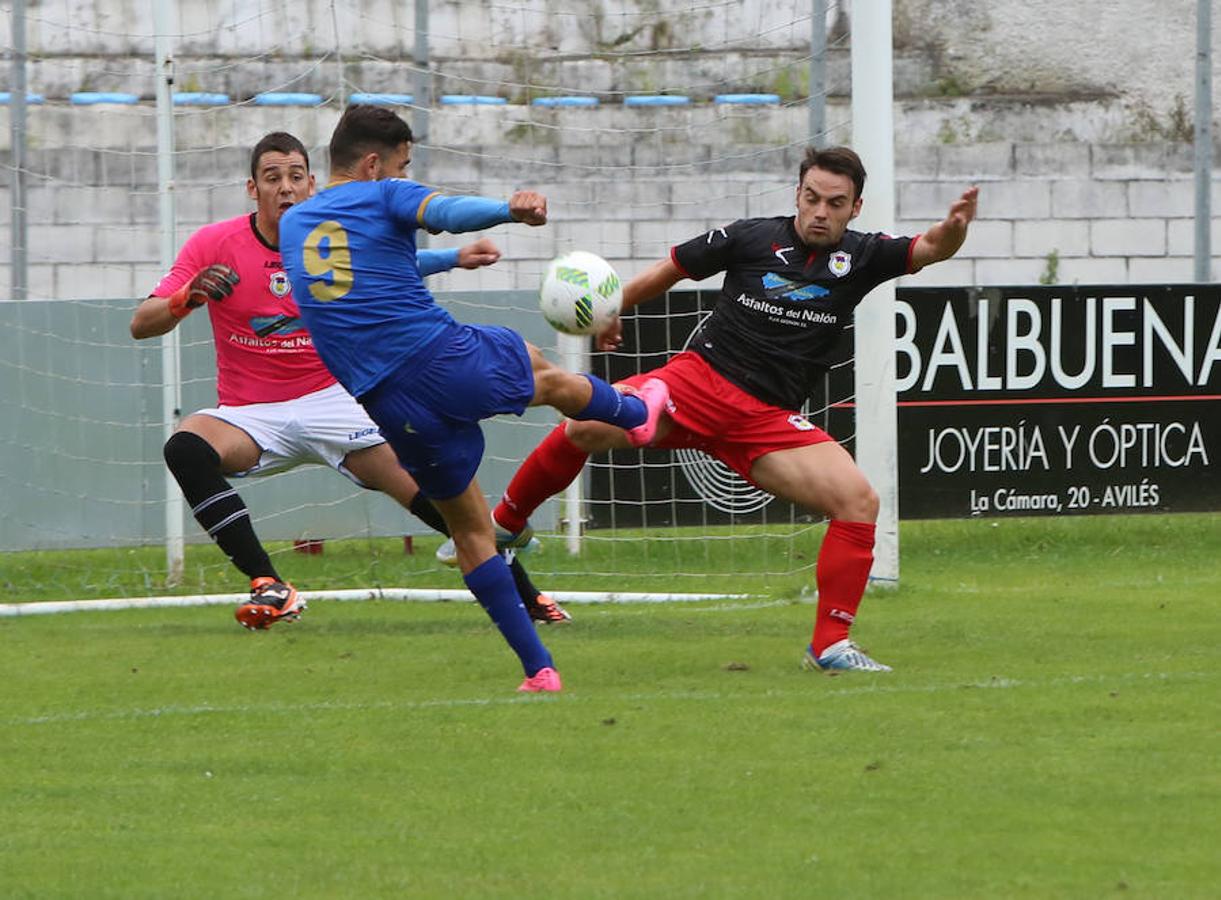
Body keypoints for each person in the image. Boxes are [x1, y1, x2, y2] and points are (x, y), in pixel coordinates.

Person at [488, 146, 979, 673]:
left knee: (858, 501)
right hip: (698, 382)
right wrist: (611, 309)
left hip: (765, 421)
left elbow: (930, 247)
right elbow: (671, 269)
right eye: (811, 198)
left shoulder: (863, 256)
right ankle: (505, 524)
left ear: (854, 208)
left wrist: (954, 228)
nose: (820, 211)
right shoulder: (749, 236)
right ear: (797, 194)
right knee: (583, 427)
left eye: (835, 203)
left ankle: (831, 646)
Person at [279, 105, 670, 693]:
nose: (404, 172)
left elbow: (381, 261)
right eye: (403, 163)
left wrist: (450, 261)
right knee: (546, 374)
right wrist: (507, 209)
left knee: (469, 533)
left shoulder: (296, 225)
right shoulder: (384, 192)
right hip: (437, 358)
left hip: (386, 402)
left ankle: (539, 670)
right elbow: (442, 211)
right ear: (372, 163)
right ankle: (641, 414)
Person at [130, 131, 571, 633]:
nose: (286, 187)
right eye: (272, 178)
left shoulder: (322, 232)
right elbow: (142, 323)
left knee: (434, 492)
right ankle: (268, 584)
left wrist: (453, 258)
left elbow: (391, 263)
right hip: (251, 414)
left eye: (296, 176)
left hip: (335, 399)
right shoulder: (214, 244)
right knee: (184, 448)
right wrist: (186, 296)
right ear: (252, 189)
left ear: (312, 182)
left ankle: (528, 596)